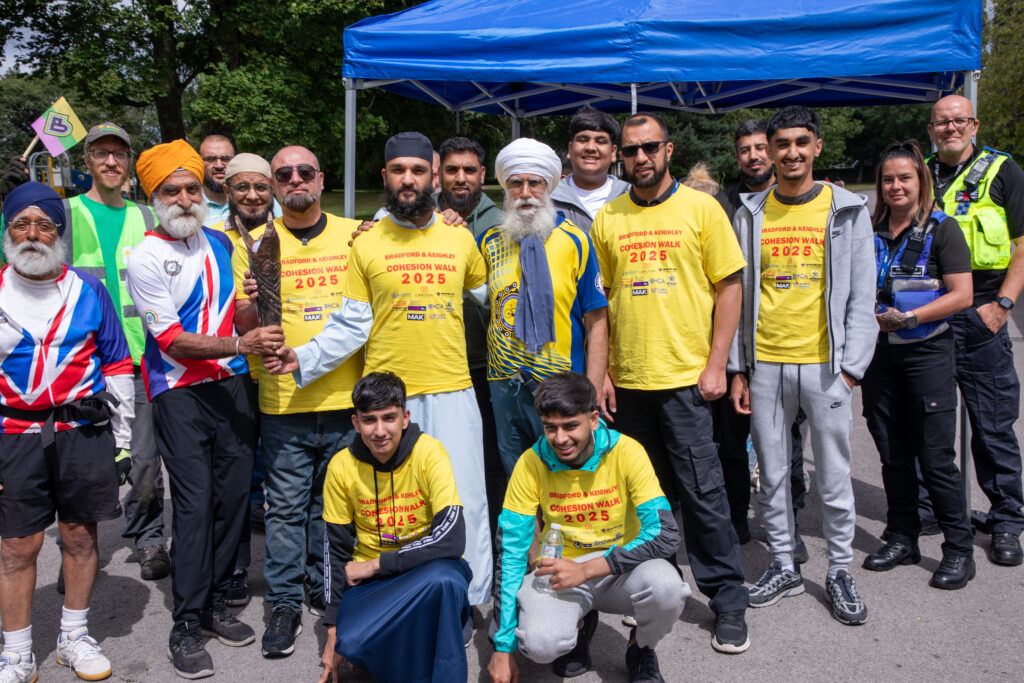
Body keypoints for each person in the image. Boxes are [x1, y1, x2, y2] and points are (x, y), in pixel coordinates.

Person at [266, 131, 493, 609]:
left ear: (434, 177)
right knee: (394, 510)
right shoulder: (365, 243)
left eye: (418, 170)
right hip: (391, 402)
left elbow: (493, 297)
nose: (408, 179)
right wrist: (302, 356)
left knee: (465, 503)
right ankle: (398, 599)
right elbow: (352, 323)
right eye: (398, 171)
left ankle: (468, 602)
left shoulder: (460, 238)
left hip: (453, 391)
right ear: (384, 176)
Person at [590, 112, 751, 654]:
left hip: (686, 381)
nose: (640, 158)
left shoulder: (702, 209)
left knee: (704, 495)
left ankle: (727, 599)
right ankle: (655, 593)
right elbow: (601, 302)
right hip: (630, 385)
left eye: (649, 147)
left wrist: (717, 363)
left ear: (668, 150)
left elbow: (730, 288)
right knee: (643, 502)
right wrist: (605, 372)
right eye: (630, 150)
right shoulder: (608, 217)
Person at [126, 139, 283, 679]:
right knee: (194, 507)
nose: (185, 198)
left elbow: (241, 318)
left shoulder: (220, 242)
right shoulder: (145, 257)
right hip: (179, 392)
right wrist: (242, 343)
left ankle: (216, 604)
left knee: (234, 500)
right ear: (154, 196)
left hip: (232, 385)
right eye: (172, 190)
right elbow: (171, 341)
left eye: (192, 188)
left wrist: (251, 306)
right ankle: (186, 624)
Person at [730, 105, 877, 625]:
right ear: (770, 151)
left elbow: (863, 294)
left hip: (826, 366)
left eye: (800, 142)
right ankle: (784, 565)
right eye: (782, 144)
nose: (791, 152)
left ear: (816, 145)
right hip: (766, 364)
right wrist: (739, 368)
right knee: (772, 475)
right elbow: (739, 294)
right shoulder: (750, 212)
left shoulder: (847, 209)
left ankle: (839, 570)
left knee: (834, 476)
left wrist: (853, 367)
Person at [231, 147, 366, 657]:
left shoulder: (355, 234)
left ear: (321, 179)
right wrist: (249, 302)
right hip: (283, 400)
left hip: (343, 397)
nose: (294, 180)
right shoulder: (254, 244)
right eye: (283, 174)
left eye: (304, 171)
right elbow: (245, 326)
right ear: (273, 186)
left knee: (332, 508)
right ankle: (284, 603)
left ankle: (324, 586)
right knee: (285, 509)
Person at [0, 182, 134, 682]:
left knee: (79, 536)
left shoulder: (88, 290)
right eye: (22, 224)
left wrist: (123, 440)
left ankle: (73, 637)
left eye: (45, 225)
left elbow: (117, 365)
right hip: (14, 433)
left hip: (83, 430)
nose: (33, 234)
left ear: (59, 234)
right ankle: (16, 652)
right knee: (17, 546)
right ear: (8, 232)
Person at [487, 372, 688, 683]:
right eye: (550, 427)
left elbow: (665, 533)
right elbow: (512, 550)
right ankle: (578, 625)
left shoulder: (628, 451)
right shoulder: (530, 462)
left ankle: (641, 647)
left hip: (620, 569)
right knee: (539, 645)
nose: (560, 438)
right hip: (560, 573)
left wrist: (588, 569)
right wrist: (502, 647)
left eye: (570, 426)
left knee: (668, 588)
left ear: (594, 419)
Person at [860, 141, 975, 589]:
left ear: (920, 181)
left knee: (936, 459)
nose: (896, 186)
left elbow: (962, 295)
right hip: (879, 356)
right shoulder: (869, 229)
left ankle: (959, 549)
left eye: (904, 178)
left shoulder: (943, 229)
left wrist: (909, 318)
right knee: (893, 454)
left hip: (927, 353)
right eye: (888, 179)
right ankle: (902, 537)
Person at [318, 372, 470, 683]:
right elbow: (335, 550)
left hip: (427, 570)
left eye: (389, 418)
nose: (379, 431)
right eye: (369, 420)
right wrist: (333, 628)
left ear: (405, 418)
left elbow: (452, 539)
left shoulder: (430, 452)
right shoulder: (341, 466)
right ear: (355, 422)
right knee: (352, 644)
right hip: (373, 583)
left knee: (445, 581)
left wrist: (377, 564)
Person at [68, 122, 170, 583]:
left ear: (129, 162)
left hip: (142, 359)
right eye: (101, 153)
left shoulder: (146, 217)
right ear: (86, 160)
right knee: (83, 464)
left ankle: (148, 538)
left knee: (144, 461)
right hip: (83, 364)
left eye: (119, 154)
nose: (111, 161)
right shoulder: (65, 214)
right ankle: (75, 549)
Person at [925, 94, 1024, 566]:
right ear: (931, 129)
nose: (950, 128)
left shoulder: (1003, 171)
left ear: (974, 125)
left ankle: (1006, 520)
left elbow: (1023, 245)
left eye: (958, 120)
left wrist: (1003, 306)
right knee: (930, 422)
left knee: (992, 425)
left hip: (983, 312)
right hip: (932, 313)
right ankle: (933, 509)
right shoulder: (920, 172)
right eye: (942, 122)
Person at [478, 137, 609, 474]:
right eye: (515, 183)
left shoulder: (576, 241)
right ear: (505, 188)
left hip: (561, 385)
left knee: (567, 479)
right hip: (504, 384)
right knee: (517, 477)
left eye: (534, 183)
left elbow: (597, 321)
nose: (525, 193)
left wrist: (592, 393)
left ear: (549, 186)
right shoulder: (488, 242)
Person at [714, 118, 809, 557]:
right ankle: (737, 520)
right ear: (737, 157)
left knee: (786, 442)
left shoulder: (796, 199)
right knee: (732, 443)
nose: (753, 156)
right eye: (744, 150)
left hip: (785, 342)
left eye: (759, 148)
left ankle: (789, 525)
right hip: (735, 341)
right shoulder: (722, 205)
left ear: (771, 151)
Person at [211, 152, 278, 608]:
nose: (252, 195)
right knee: (234, 479)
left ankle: (295, 570)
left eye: (260, 186)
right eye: (242, 187)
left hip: (283, 370)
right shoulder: (213, 241)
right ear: (227, 191)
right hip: (235, 373)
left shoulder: (286, 233)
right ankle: (234, 569)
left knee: (287, 480)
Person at [436, 136, 506, 539]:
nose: (460, 178)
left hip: (485, 364)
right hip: (435, 361)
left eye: (468, 170)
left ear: (482, 174)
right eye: (452, 170)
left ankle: (492, 547)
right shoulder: (420, 216)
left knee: (489, 461)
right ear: (439, 174)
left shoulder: (502, 222)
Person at [550, 106, 630, 232]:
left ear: (613, 152)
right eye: (583, 140)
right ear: (570, 149)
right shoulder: (548, 199)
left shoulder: (631, 196)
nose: (591, 148)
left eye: (601, 141)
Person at [199, 134, 235, 224]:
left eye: (225, 159)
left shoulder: (251, 200)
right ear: (199, 163)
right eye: (211, 159)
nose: (219, 166)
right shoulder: (190, 204)